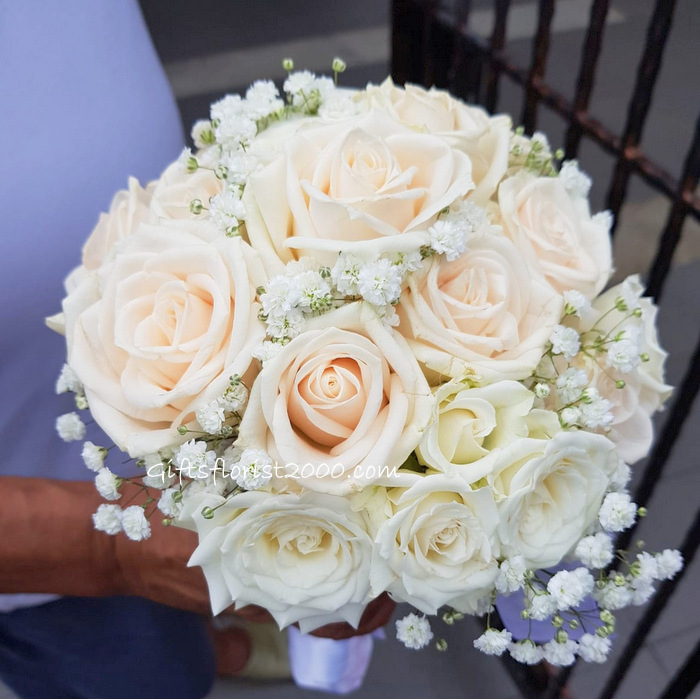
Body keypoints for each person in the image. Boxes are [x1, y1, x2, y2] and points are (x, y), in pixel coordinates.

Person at [0, 2, 394, 697]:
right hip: (48, 536)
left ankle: (220, 644)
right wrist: (105, 550)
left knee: (171, 652)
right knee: (139, 673)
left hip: (135, 464)